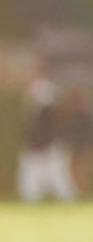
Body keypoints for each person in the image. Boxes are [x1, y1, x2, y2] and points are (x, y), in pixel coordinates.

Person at [17, 70, 77, 203]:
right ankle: (31, 200)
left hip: (48, 149)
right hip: (41, 149)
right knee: (33, 177)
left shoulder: (48, 113)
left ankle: (67, 200)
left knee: (57, 178)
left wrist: (42, 147)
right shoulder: (39, 112)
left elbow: (47, 132)